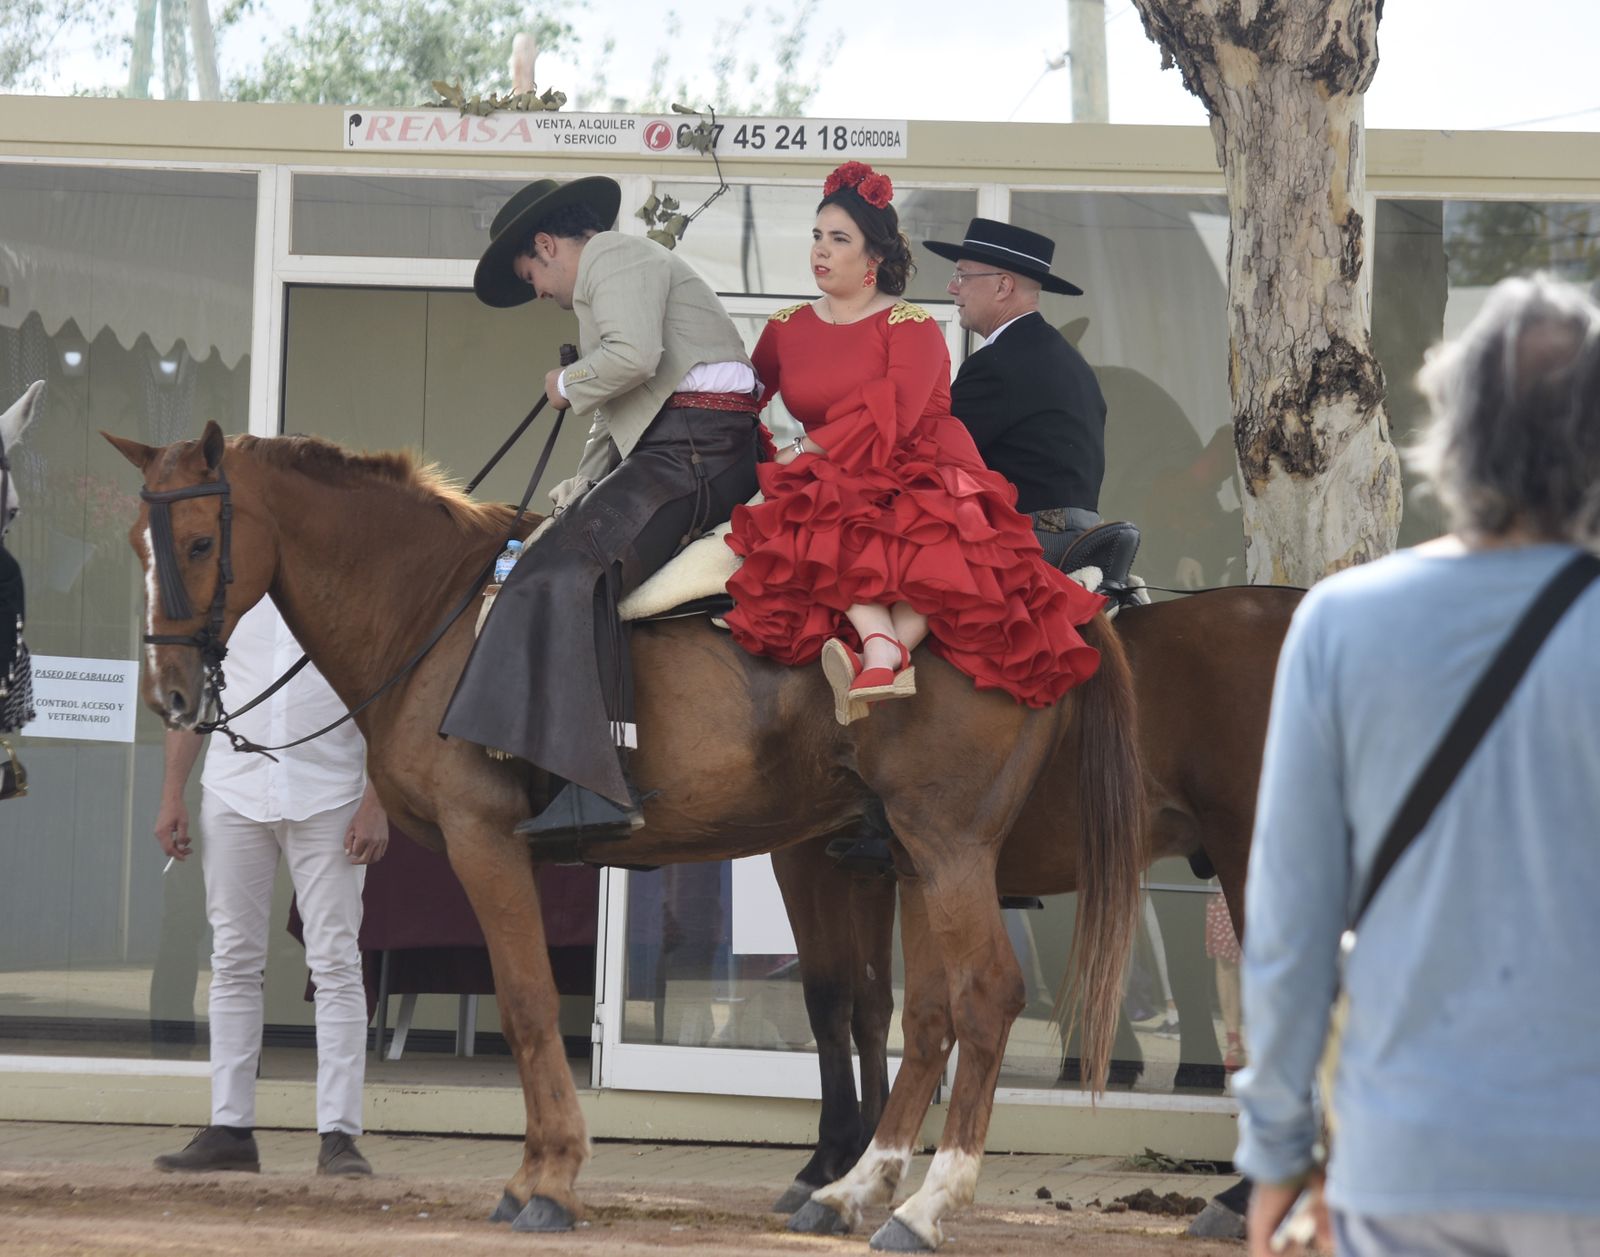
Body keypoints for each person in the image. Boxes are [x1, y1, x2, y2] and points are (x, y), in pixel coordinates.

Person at [1237, 275, 1600, 1257]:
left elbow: (1289, 924)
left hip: (1405, 1158)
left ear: (1454, 429)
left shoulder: (1342, 623)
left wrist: (1276, 1151)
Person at [722, 162, 1106, 725]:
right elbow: (740, 400)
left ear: (873, 256)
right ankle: (884, 653)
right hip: (843, 471)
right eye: (817, 235)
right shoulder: (785, 326)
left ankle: (882, 649)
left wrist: (799, 451)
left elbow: (898, 419)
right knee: (829, 504)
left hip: (908, 466)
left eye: (839, 239)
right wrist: (754, 449)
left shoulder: (914, 325)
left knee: (914, 525)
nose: (820, 249)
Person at [441, 176, 760, 844]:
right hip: (687, 448)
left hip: (693, 449)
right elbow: (617, 410)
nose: (537, 291)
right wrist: (581, 487)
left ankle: (599, 781)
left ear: (547, 245)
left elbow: (631, 360)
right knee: (557, 555)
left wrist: (565, 381)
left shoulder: (612, 256)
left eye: (531, 276)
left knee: (569, 571)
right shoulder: (610, 279)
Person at [152, 600, 388, 1176]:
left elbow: (389, 700)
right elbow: (193, 701)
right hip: (233, 788)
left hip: (332, 792)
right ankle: (230, 1128)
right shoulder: (225, 597)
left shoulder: (345, 585)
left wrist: (376, 800)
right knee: (233, 960)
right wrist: (172, 793)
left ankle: (339, 1135)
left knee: (336, 963)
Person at [922, 218, 1107, 564]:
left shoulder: (998, 363)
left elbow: (934, 452)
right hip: (1078, 533)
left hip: (1034, 538)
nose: (952, 288)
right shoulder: (1068, 359)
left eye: (962, 275)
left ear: (1003, 286)